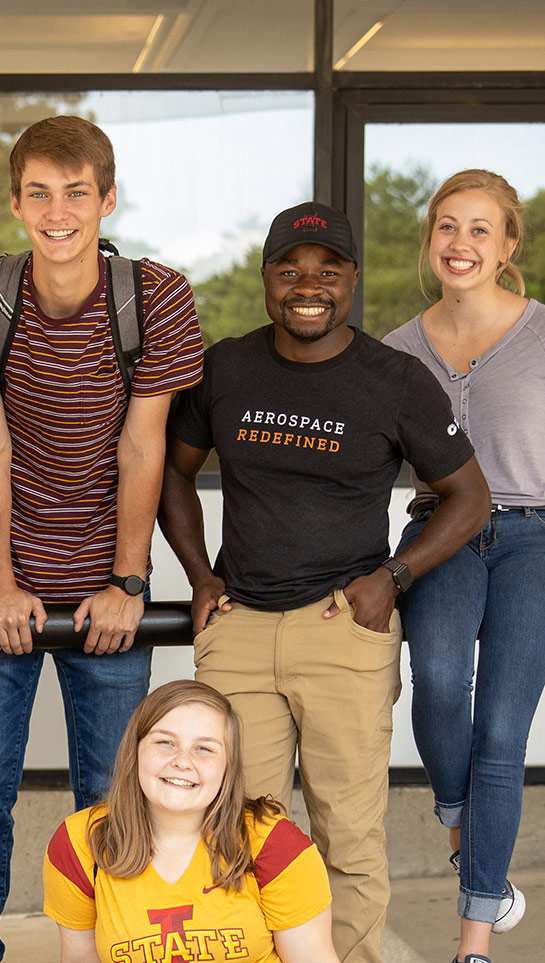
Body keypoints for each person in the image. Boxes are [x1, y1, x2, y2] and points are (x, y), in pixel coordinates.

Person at [159, 200, 491, 963]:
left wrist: (393, 575)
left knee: (347, 835)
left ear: (350, 280)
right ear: (267, 278)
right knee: (235, 833)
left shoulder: (394, 379)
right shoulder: (225, 366)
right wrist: (199, 573)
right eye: (289, 269)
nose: (307, 284)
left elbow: (469, 499)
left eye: (326, 270)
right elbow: (171, 476)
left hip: (342, 627)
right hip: (239, 628)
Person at [0, 114, 205, 962]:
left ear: (106, 199)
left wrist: (128, 582)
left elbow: (142, 444)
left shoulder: (156, 296)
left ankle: (118, 949)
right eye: (40, 194)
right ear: (15, 202)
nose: (59, 212)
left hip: (104, 597)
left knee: (116, 795)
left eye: (77, 193)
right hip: (1, 583)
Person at [382, 169, 544, 963]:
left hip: (534, 537)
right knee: (439, 677)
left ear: (507, 245)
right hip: (440, 532)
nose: (461, 244)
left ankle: (472, 943)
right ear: (430, 240)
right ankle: (460, 821)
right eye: (447, 226)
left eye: (480, 230)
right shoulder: (396, 350)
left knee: (502, 730)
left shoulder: (543, 332)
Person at [43, 680, 338, 963]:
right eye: (165, 742)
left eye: (205, 748)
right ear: (134, 751)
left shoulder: (275, 844)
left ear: (228, 767)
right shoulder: (80, 842)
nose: (182, 761)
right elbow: (81, 959)